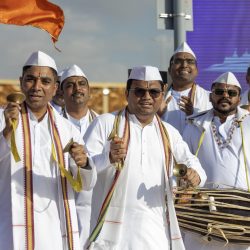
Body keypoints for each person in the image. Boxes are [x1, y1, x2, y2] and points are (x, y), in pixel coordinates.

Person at [84, 65, 207, 249]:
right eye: (139, 91)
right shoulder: (104, 124)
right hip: (113, 235)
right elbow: (81, 174)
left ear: (162, 94)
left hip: (156, 233)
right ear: (127, 93)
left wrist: (194, 175)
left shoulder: (168, 132)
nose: (147, 97)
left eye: (154, 92)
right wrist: (107, 158)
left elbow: (194, 165)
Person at [0, 51, 97, 250]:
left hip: (54, 226)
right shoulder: (3, 118)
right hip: (10, 224)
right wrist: (6, 134)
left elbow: (86, 184)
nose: (37, 87)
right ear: (21, 82)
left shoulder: (67, 129)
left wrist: (84, 164)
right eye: (30, 80)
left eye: (45, 81)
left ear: (54, 88)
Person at [182, 71, 250, 250]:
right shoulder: (193, 125)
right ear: (211, 95)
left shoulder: (249, 123)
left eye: (231, 93)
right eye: (219, 92)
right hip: (202, 209)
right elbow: (182, 161)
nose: (225, 96)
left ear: (238, 97)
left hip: (242, 210)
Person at [60, 64, 98, 249]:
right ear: (61, 93)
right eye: (70, 85)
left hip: (96, 209)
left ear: (89, 91)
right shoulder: (54, 125)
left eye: (82, 84)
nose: (77, 89)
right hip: (62, 206)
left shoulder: (105, 125)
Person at [159, 42, 212, 134]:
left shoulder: (210, 98)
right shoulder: (157, 99)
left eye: (190, 61)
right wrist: (156, 114)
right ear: (169, 70)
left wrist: (193, 115)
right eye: (178, 61)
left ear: (197, 70)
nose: (184, 65)